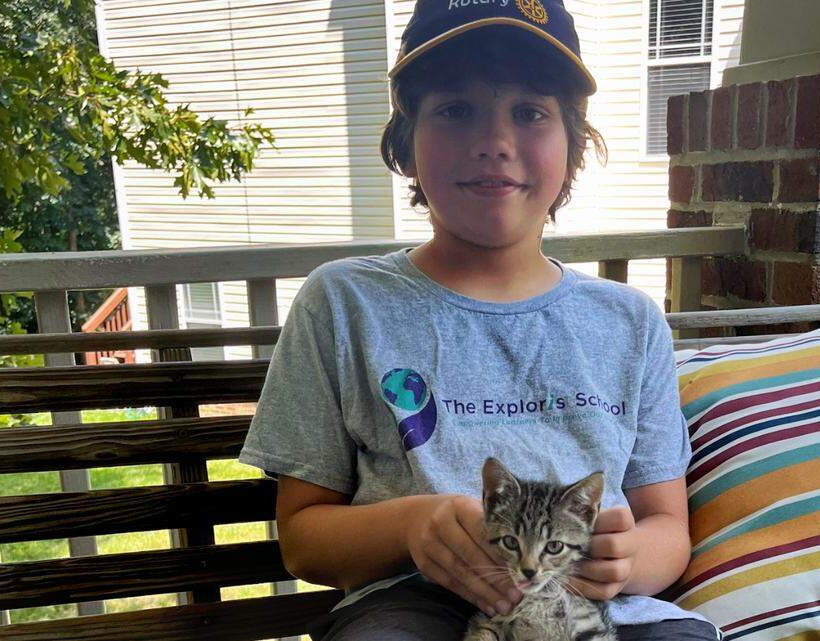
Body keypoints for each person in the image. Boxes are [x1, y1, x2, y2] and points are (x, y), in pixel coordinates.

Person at [239, 1, 718, 639]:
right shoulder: (344, 304)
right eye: (455, 110)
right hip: (416, 604)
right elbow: (304, 540)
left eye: (530, 112)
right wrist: (412, 524)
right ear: (406, 139)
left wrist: (625, 562)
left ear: (572, 143)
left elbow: (667, 527)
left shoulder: (629, 322)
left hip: (598, 609)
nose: (494, 143)